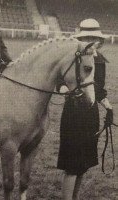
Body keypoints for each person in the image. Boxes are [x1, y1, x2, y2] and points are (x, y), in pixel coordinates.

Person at [57, 18, 113, 200]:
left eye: (94, 38)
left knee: (83, 164)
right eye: (87, 37)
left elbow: (98, 88)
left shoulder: (101, 60)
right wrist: (62, 88)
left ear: (99, 40)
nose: (91, 41)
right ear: (80, 39)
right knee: (72, 164)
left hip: (91, 115)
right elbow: (59, 79)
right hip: (73, 114)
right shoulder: (71, 57)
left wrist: (106, 103)